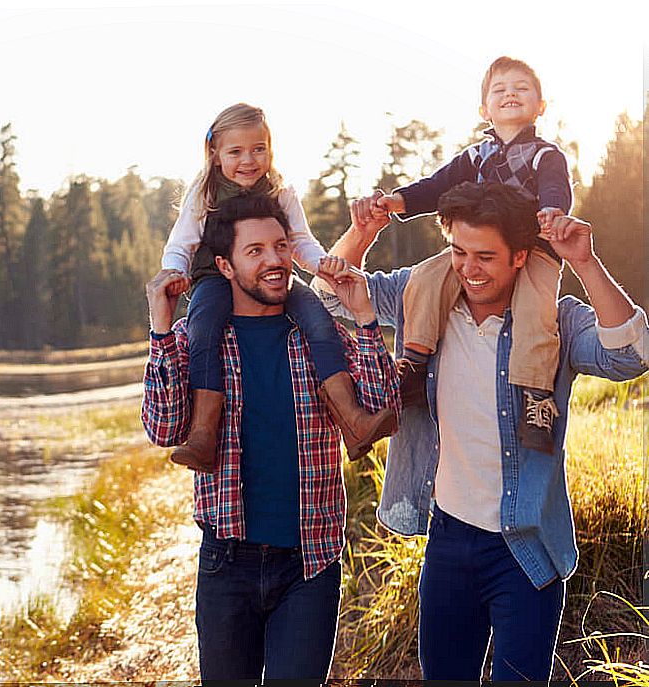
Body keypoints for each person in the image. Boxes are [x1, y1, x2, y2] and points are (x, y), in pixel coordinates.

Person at [325, 181, 649, 682]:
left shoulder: (554, 320)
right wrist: (360, 234)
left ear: (521, 256)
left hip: (524, 547)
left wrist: (584, 262)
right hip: (448, 541)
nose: (468, 269)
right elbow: (331, 300)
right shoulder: (423, 301)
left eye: (485, 257)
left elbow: (631, 356)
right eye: (457, 252)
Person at [142, 193, 399, 682]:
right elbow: (161, 428)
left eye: (281, 246)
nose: (275, 260)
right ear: (225, 265)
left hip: (311, 562)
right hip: (227, 562)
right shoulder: (201, 341)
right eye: (255, 251)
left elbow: (383, 404)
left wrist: (364, 316)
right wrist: (160, 326)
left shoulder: (316, 336)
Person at [354, 56, 573, 453]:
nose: (510, 94)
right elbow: (437, 186)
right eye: (499, 90)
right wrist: (398, 200)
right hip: (476, 249)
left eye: (522, 88)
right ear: (483, 109)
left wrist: (553, 211)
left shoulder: (546, 155)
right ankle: (415, 366)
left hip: (533, 247)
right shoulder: (476, 156)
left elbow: (557, 189)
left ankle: (536, 397)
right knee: (424, 279)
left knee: (536, 309)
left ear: (540, 105)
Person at [161, 103, 395, 471]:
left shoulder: (280, 191)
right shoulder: (204, 192)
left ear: (271, 149)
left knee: (318, 319)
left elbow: (300, 240)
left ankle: (352, 419)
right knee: (202, 328)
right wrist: (173, 272)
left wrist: (322, 265)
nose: (249, 160)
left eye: (259, 148)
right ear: (215, 154)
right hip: (214, 277)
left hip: (276, 277)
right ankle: (204, 431)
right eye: (235, 151)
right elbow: (181, 244)